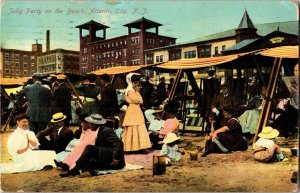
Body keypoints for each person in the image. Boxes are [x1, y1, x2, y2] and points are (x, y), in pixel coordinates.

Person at [59, 114, 125, 177]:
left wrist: (115, 159)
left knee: (89, 148)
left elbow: (119, 143)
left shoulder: (106, 130)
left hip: (115, 160)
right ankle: (80, 170)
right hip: (107, 157)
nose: (89, 125)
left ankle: (74, 171)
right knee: (86, 164)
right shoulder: (99, 130)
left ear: (94, 124)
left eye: (90, 124)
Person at [122, 73, 152, 152]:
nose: (136, 84)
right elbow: (135, 100)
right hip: (132, 109)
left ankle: (140, 147)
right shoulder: (129, 90)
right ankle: (131, 147)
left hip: (137, 109)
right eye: (134, 82)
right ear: (131, 82)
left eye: (137, 82)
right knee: (133, 127)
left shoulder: (135, 90)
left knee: (139, 127)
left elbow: (141, 100)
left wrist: (138, 97)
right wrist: (137, 98)